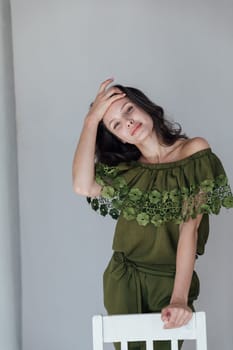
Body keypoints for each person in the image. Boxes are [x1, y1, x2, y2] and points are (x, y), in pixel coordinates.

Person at [72, 79, 233, 350]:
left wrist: (179, 298)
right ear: (119, 138)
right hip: (123, 277)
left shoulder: (194, 152)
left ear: (144, 106)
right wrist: (91, 121)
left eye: (128, 110)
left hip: (171, 279)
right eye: (116, 125)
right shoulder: (127, 172)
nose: (128, 123)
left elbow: (189, 229)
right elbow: (82, 185)